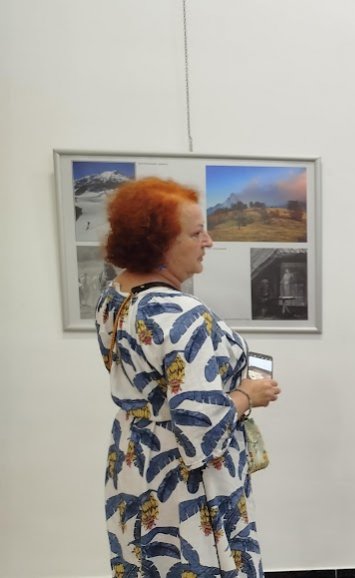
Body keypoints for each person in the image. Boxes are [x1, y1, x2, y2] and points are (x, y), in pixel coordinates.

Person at [97, 177, 280, 576]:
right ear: (159, 244)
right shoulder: (184, 315)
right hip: (186, 481)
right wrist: (249, 395)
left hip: (135, 462)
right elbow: (199, 428)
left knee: (148, 562)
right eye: (196, 233)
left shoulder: (116, 298)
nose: (208, 241)